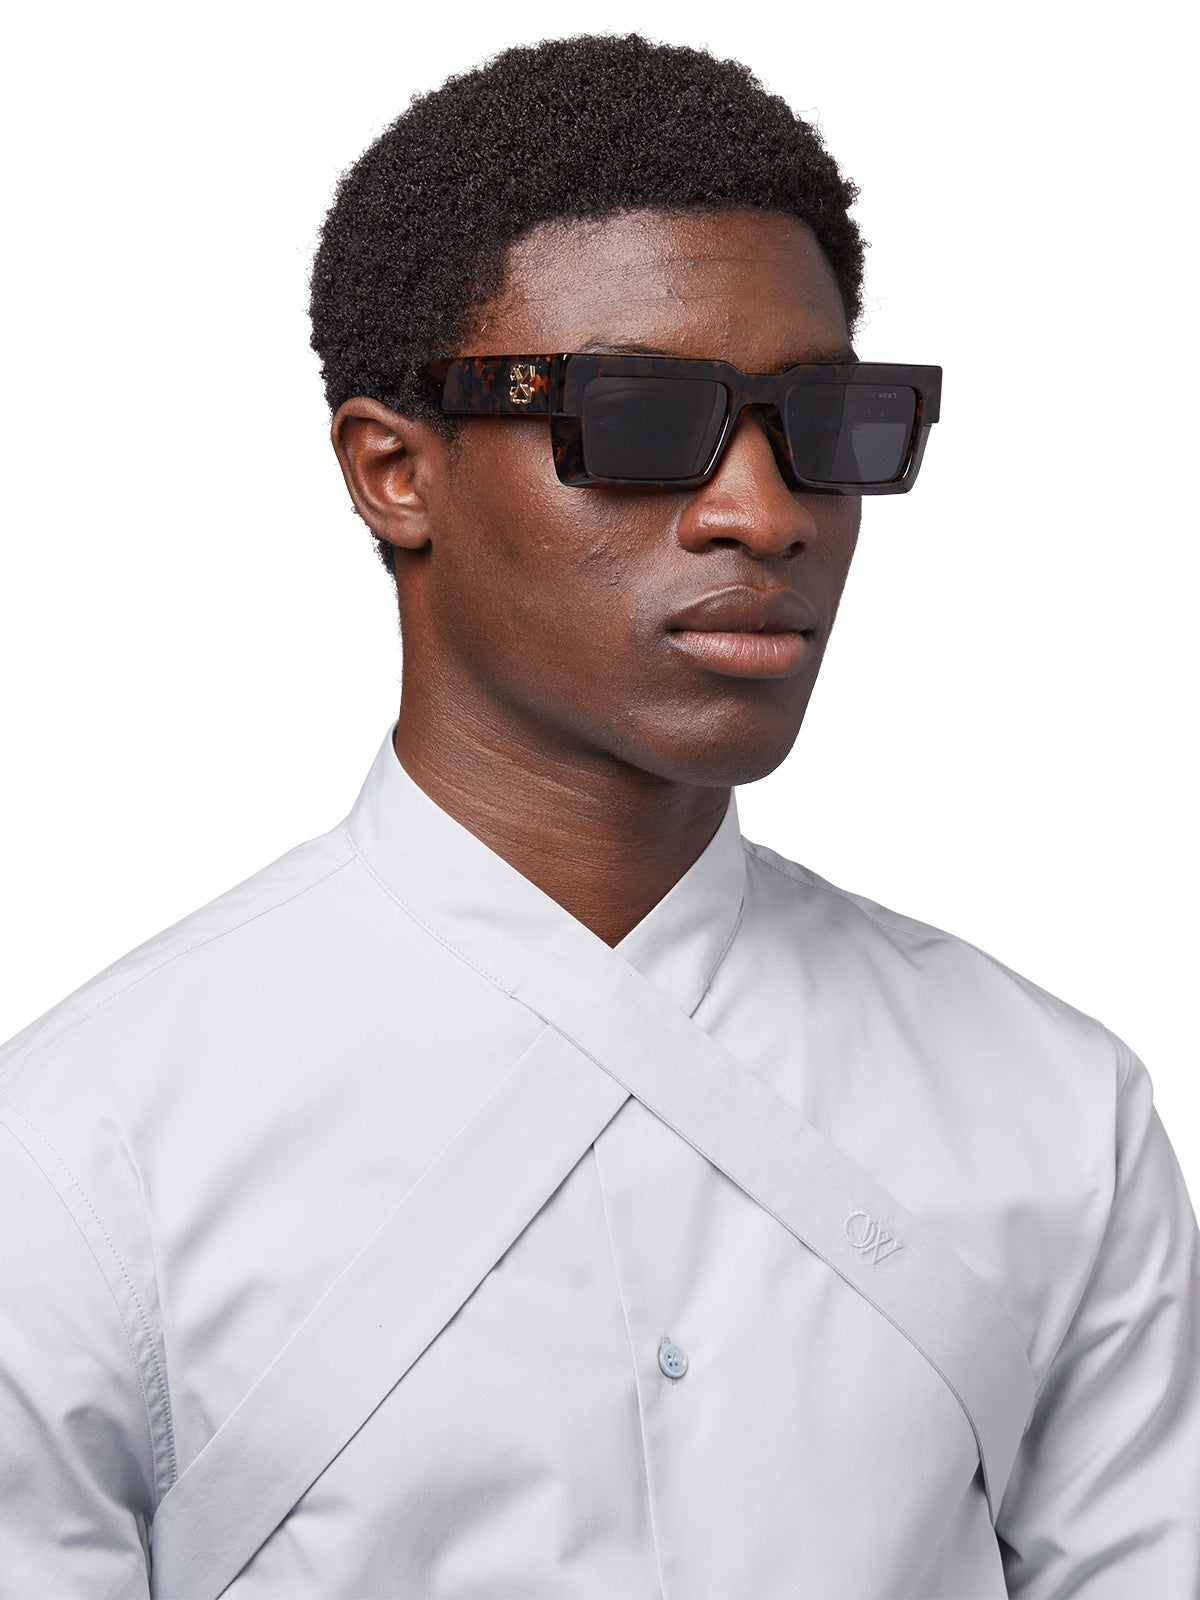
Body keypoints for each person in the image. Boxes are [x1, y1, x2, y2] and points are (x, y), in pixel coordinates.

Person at [1, 31, 1196, 1600]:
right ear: (393, 471)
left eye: (828, 423)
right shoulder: (79, 1161)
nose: (764, 512)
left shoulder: (1057, 1114)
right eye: (636, 417)